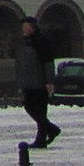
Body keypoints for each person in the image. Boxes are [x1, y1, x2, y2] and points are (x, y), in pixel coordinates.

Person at [17, 17, 60, 149]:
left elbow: (48, 62)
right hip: (29, 83)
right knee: (29, 107)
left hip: (40, 83)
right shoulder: (25, 42)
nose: (24, 29)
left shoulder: (41, 41)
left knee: (40, 111)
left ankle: (41, 139)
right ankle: (51, 129)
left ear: (33, 27)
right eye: (23, 27)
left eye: (26, 26)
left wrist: (49, 81)